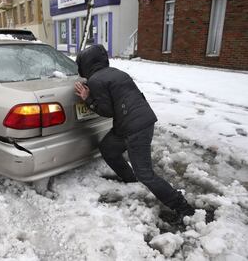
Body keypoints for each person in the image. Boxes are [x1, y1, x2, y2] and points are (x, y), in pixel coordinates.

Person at [74, 44, 195, 220]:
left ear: (85, 64)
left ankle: (183, 207)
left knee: (146, 173)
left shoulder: (96, 81)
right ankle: (130, 179)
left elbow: (107, 111)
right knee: (108, 148)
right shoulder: (116, 72)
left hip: (135, 129)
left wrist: (88, 99)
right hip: (137, 122)